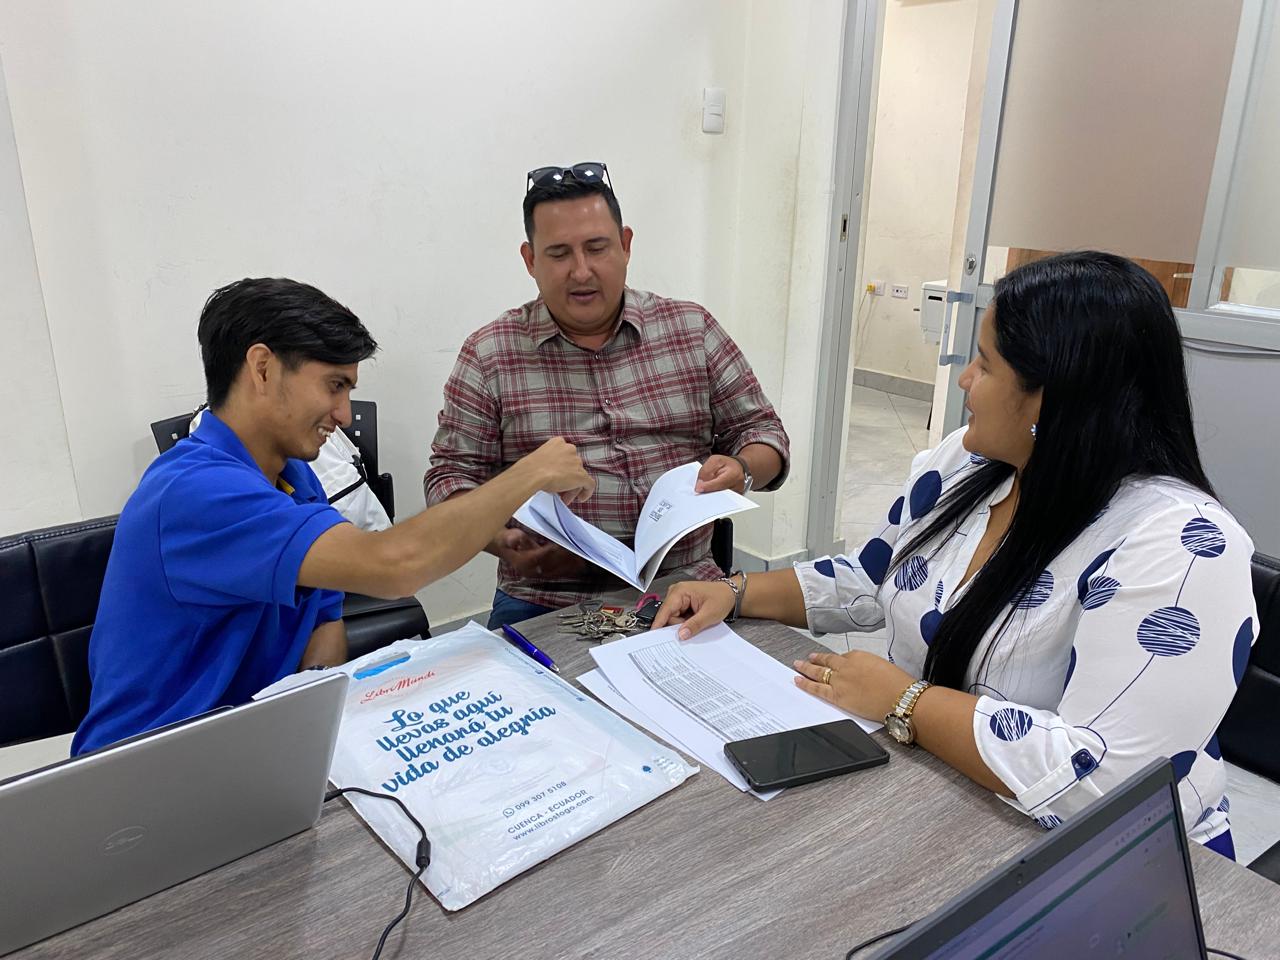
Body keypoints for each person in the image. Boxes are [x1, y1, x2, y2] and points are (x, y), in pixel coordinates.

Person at [654, 251, 1257, 856]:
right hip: (945, 793)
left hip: (1115, 859)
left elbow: (1106, 781)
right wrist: (734, 592)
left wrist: (906, 700)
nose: (965, 380)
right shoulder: (968, 463)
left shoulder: (1182, 545)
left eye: (986, 364)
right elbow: (875, 575)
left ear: (1050, 399)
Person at [72, 278, 593, 755]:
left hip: (255, 747)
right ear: (262, 369)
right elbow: (394, 565)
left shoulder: (294, 473)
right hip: (149, 767)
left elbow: (325, 619)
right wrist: (530, 473)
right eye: (334, 386)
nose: (344, 415)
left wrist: (312, 716)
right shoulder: (196, 491)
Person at [424, 162, 790, 628]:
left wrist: (743, 469)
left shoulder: (690, 329)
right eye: (559, 254)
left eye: (597, 248)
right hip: (545, 596)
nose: (581, 271)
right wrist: (498, 539)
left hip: (689, 584)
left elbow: (765, 432)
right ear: (530, 260)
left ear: (626, 244)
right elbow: (449, 476)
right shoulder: (491, 353)